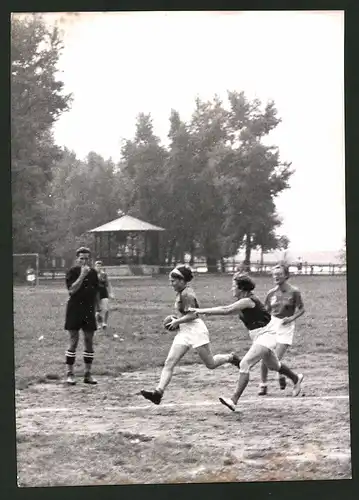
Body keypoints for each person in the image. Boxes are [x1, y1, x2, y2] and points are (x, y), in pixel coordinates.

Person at [188, 273, 304, 412]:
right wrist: (207, 312)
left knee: (245, 363)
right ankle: (296, 378)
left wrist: (200, 311)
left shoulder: (248, 300)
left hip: (267, 334)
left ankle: (234, 400)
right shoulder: (243, 302)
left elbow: (226, 310)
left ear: (241, 288)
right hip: (259, 335)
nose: (232, 289)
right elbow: (228, 311)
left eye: (234, 286)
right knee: (273, 365)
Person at [140, 264, 241, 405]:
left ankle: (231, 357)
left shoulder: (188, 294)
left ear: (182, 280)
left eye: (173, 281)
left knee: (210, 364)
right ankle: (158, 393)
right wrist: (178, 321)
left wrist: (177, 321)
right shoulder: (181, 292)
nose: (171, 284)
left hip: (196, 330)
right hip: (184, 331)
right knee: (169, 362)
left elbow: (194, 314)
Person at [258, 263, 305, 395]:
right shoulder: (271, 293)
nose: (276, 277)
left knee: (273, 360)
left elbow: (302, 309)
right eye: (274, 274)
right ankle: (263, 384)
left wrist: (291, 318)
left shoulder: (294, 291)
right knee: (264, 354)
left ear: (286, 275)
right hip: (272, 325)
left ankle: (293, 378)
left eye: (279, 274)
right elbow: (266, 312)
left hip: (286, 327)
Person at [64, 247, 100, 385]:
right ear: (77, 259)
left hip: (89, 309)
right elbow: (72, 290)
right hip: (74, 309)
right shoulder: (72, 272)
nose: (84, 261)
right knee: (73, 341)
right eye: (82, 258)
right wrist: (82, 275)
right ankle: (70, 373)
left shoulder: (93, 273)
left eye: (87, 258)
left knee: (89, 341)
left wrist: (98, 311)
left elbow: (96, 292)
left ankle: (88, 373)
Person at [94, 260, 114, 331]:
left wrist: (111, 293)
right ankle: (99, 324)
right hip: (96, 294)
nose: (98, 267)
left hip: (103, 292)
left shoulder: (104, 274)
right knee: (97, 310)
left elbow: (108, 284)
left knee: (105, 308)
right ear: (95, 266)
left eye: (100, 266)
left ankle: (104, 323)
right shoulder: (92, 274)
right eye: (97, 266)